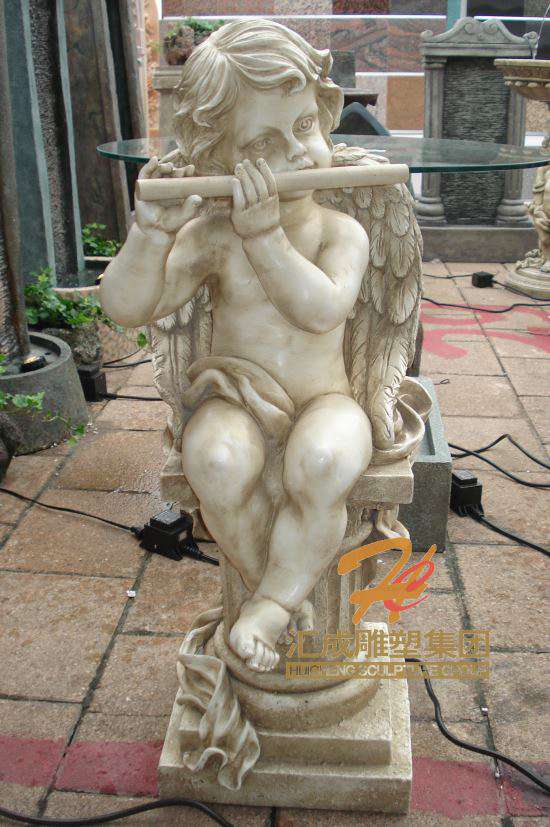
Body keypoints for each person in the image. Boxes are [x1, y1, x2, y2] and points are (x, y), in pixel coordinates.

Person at [100, 19, 373, 672]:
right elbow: (128, 307)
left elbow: (320, 309)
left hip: (325, 400)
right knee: (215, 460)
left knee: (323, 461)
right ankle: (270, 590)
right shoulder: (215, 236)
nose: (299, 154)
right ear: (222, 162)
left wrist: (267, 239)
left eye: (304, 127)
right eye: (264, 143)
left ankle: (273, 603)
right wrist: (152, 234)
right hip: (235, 396)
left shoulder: (341, 233)